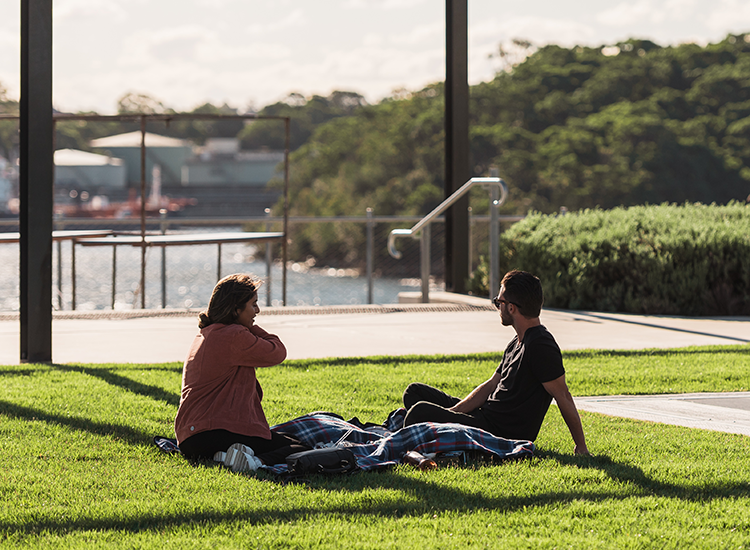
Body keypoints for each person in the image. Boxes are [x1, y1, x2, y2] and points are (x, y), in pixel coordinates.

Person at [402, 270, 589, 455]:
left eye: (498, 302)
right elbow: (491, 385)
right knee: (415, 392)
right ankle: (441, 426)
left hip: (498, 432)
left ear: (511, 308)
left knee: (419, 413)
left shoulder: (541, 346)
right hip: (484, 416)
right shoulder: (517, 342)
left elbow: (563, 395)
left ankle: (431, 432)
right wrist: (454, 413)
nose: (497, 307)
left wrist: (581, 446)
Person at [174, 273, 310, 471]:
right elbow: (277, 351)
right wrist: (249, 326)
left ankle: (221, 457)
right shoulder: (233, 335)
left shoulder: (206, 333)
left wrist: (244, 323)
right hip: (216, 431)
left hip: (190, 439)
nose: (257, 310)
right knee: (299, 448)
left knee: (284, 440)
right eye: (253, 304)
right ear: (236, 309)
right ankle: (255, 462)